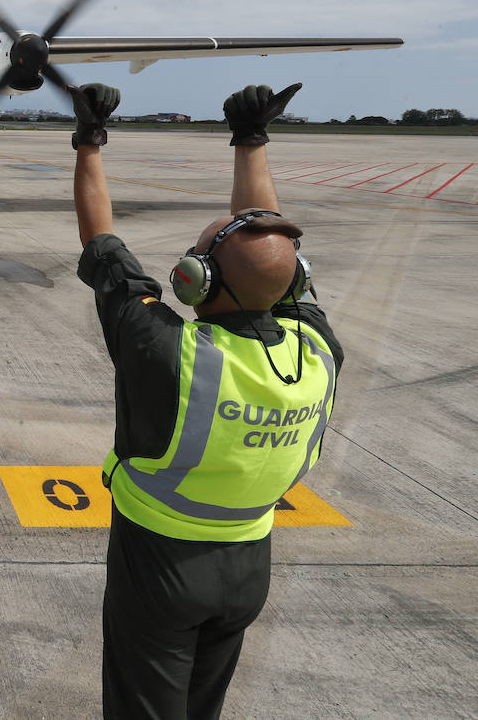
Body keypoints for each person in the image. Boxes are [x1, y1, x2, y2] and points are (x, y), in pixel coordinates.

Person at [70, 83, 344, 719]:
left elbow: (100, 240)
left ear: (195, 282)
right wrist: (252, 141)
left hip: (161, 566)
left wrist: (89, 141)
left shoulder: (163, 349)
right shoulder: (317, 350)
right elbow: (274, 254)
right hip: (249, 565)